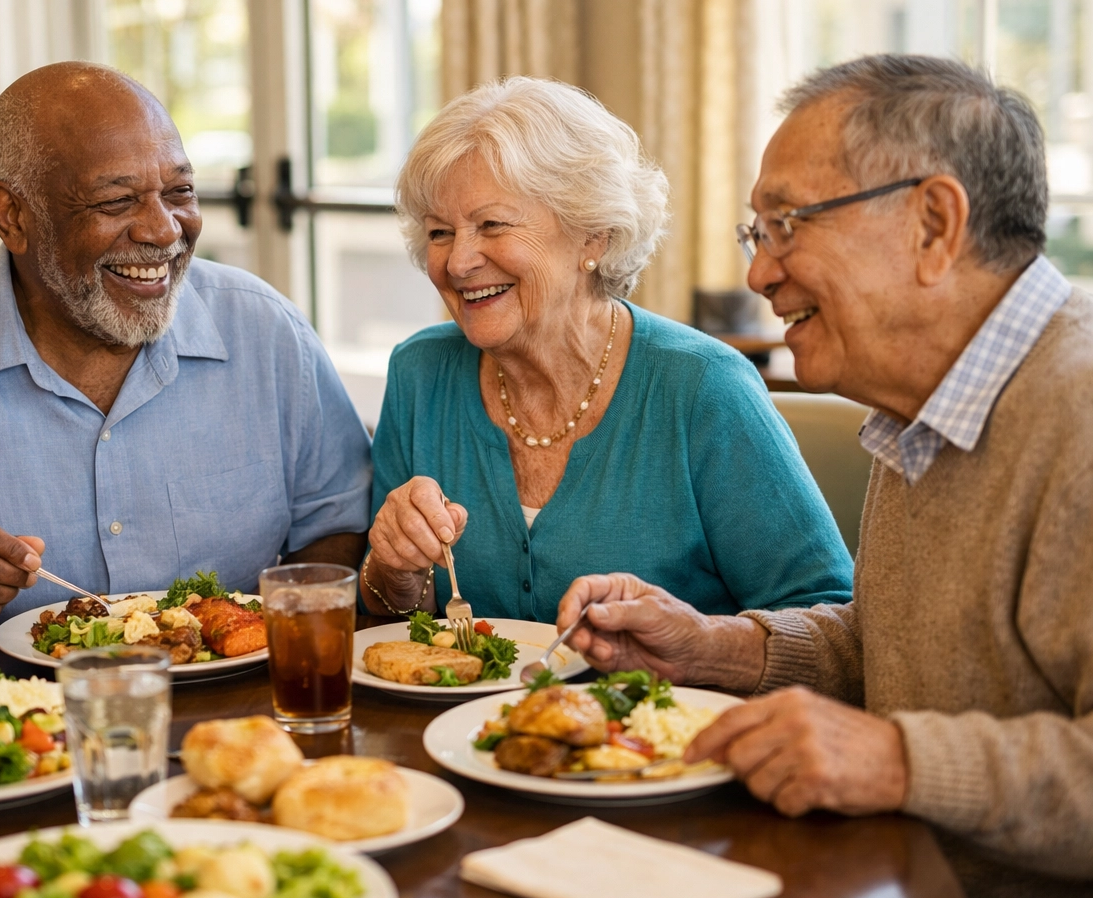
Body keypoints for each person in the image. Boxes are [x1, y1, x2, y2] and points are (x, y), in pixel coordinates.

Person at [558, 55, 1093, 898]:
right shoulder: (925, 402)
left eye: (788, 225)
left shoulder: (1075, 416)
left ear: (934, 224)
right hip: (890, 890)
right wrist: (717, 648)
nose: (761, 272)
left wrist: (896, 761)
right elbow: (900, 650)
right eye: (754, 232)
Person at [0, 63, 371, 639]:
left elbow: (341, 530)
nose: (164, 230)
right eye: (116, 202)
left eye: (180, 192)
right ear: (13, 217)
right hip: (9, 719)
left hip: (242, 719)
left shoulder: (264, 331)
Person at [361, 76, 852, 624]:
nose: (458, 262)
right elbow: (387, 622)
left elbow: (825, 613)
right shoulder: (419, 373)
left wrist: (698, 652)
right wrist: (393, 568)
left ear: (593, 236)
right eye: (439, 233)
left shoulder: (702, 389)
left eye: (492, 224)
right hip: (459, 716)